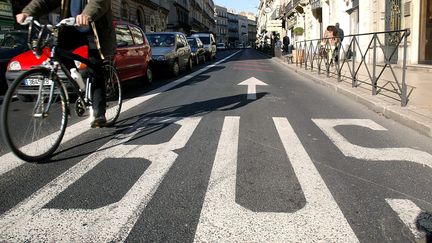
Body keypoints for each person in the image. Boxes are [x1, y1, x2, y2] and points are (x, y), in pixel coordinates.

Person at [16, 0, 116, 128]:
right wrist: (27, 12)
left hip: (94, 30)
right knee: (57, 51)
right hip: (71, 29)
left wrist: (87, 14)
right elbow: (44, 1)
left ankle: (99, 113)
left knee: (94, 67)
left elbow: (99, 2)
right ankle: (77, 78)